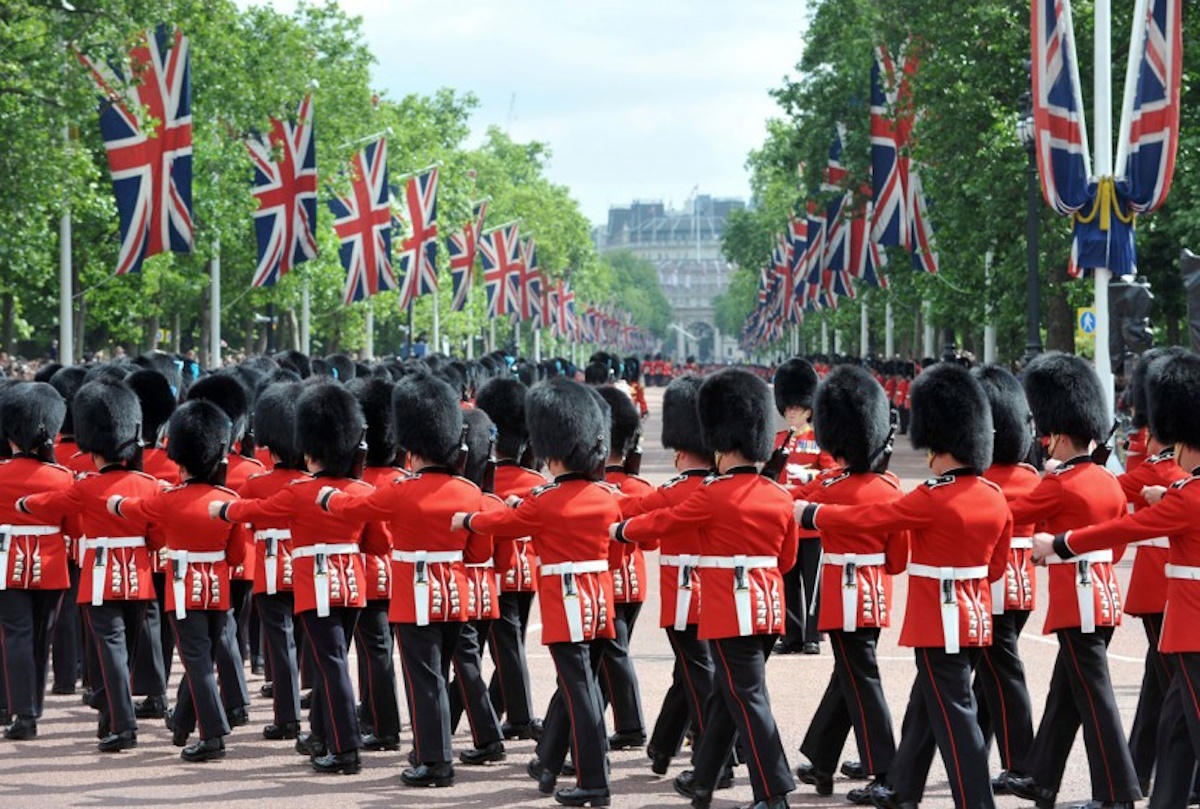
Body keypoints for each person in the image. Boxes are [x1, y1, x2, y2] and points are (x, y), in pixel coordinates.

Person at [797, 361, 1010, 809]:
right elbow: (995, 569)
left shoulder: (932, 499)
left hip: (937, 619)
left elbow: (868, 518)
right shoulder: (994, 498)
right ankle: (901, 788)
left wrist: (812, 515)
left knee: (955, 716)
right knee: (924, 706)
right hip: (975, 617)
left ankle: (977, 801)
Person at [614, 368, 798, 809]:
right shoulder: (779, 496)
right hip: (769, 607)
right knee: (724, 694)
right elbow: (788, 560)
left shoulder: (714, 495)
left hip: (730, 610)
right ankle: (703, 780)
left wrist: (622, 531)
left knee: (748, 697)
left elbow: (664, 522)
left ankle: (774, 791)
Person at [1030, 351, 1200, 809]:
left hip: (1190, 619)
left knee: (1188, 721)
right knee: (1175, 725)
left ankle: (1125, 791)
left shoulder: (1185, 495)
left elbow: (1124, 529)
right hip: (1180, 615)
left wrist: (1062, 543)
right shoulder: (1179, 491)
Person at [319, 372, 494, 787]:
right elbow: (480, 553)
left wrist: (325, 495)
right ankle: (435, 752)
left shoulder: (401, 490)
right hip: (455, 594)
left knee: (424, 679)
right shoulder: (470, 493)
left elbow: (351, 510)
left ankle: (434, 762)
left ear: (412, 449)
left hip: (415, 595)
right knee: (441, 673)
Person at [452, 376, 619, 808]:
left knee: (578, 690)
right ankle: (548, 763)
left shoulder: (546, 501)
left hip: (565, 600)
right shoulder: (604, 497)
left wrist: (468, 521)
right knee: (578, 688)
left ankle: (594, 782)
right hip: (600, 600)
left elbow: (504, 525)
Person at [209, 381, 388, 775]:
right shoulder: (359, 490)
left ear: (312, 450)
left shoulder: (300, 493)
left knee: (332, 664)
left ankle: (345, 748)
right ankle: (322, 735)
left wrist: (221, 511)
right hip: (353, 585)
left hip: (317, 585)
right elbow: (378, 544)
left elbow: (254, 511)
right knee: (333, 664)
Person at [1000, 352, 1141, 809]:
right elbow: (1115, 545)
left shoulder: (1061, 483)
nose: (1043, 442)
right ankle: (1041, 779)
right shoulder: (1107, 480)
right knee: (1065, 694)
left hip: (1076, 599)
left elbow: (1009, 513)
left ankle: (1117, 792)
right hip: (1101, 593)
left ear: (1060, 436)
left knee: (1095, 702)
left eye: (1047, 435)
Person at [17, 378, 165, 752]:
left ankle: (123, 724)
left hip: (100, 577)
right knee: (125, 652)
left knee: (111, 650)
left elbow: (50, 503)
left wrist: (23, 506)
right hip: (140, 577)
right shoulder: (150, 486)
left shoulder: (86, 486)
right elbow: (159, 535)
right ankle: (109, 712)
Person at [791, 365, 906, 802]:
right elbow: (898, 561)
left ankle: (886, 771)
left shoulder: (828, 487)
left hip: (841, 593)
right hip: (877, 592)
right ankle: (821, 761)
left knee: (861, 678)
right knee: (849, 675)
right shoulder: (891, 487)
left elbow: (787, 509)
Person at [108, 399, 243, 762]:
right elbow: (239, 557)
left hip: (183, 589)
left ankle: (212, 735)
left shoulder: (170, 500)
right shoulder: (227, 500)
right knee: (205, 657)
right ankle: (182, 722)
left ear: (182, 461)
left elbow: (135, 511)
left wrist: (115, 504)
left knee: (196, 662)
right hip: (218, 590)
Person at [619, 375, 716, 778]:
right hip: (725, 595)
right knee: (690, 672)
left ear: (680, 451)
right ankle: (662, 747)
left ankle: (716, 751)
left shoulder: (678, 491)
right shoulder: (725, 487)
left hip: (684, 597)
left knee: (697, 675)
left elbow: (630, 509)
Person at [1110, 348, 1190, 795]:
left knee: (1170, 688)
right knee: (1161, 684)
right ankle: (1138, 773)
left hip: (1170, 585)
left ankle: (1142, 775)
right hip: (1165, 583)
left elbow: (1109, 498)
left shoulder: (1168, 469)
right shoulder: (1166, 465)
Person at [968, 365, 1039, 793]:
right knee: (990, 675)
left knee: (1002, 674)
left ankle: (1022, 764)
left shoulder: (984, 484)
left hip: (991, 588)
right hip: (1022, 585)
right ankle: (975, 752)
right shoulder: (1032, 477)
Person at [0, 383, 74, 740]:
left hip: (6, 563)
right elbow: (72, 526)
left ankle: (22, 713)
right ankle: (34, 706)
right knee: (41, 637)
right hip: (51, 563)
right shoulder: (62, 478)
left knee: (15, 635)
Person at [473, 377, 544, 741]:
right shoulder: (535, 480)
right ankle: (499, 709)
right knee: (509, 646)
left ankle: (519, 716)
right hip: (528, 571)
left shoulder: (484, 482)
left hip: (494, 572)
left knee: (499, 647)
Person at [239, 381, 309, 742]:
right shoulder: (310, 482)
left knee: (280, 642)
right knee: (304, 638)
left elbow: (242, 520)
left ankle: (287, 717)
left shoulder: (256, 484)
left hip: (269, 566)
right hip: (308, 566)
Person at [345, 376, 403, 753]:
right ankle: (373, 715)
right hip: (408, 574)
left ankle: (382, 724)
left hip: (370, 574)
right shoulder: (404, 478)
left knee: (374, 649)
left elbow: (376, 539)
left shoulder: (363, 481)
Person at [595, 385, 653, 753]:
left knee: (611, 653)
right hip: (635, 584)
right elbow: (649, 543)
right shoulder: (639, 487)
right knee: (607, 654)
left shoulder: (595, 489)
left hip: (605, 584)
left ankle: (630, 724)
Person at [771, 357, 835, 655]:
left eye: (797, 407)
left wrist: (799, 495)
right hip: (785, 522)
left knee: (814, 582)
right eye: (788, 408)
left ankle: (813, 635)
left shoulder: (820, 440)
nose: (792, 412)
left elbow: (829, 475)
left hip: (809, 520)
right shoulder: (777, 440)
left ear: (809, 409)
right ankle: (792, 634)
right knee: (788, 579)